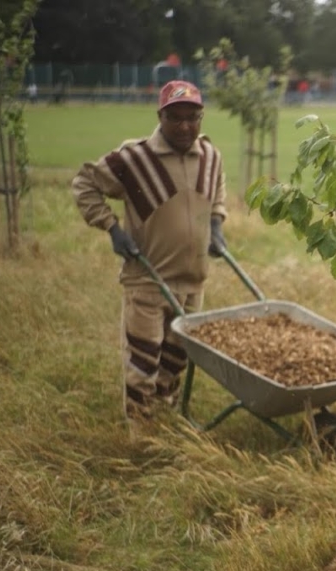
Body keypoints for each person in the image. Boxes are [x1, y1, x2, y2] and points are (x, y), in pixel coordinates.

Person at [72, 80, 228, 423]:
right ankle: (140, 438)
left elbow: (217, 191)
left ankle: (165, 424)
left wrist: (216, 226)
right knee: (144, 361)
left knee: (175, 361)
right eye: (176, 117)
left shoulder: (210, 155)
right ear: (161, 116)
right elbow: (85, 185)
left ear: (202, 116)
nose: (185, 125)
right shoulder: (135, 157)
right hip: (147, 280)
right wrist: (112, 228)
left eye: (193, 116)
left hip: (193, 283)